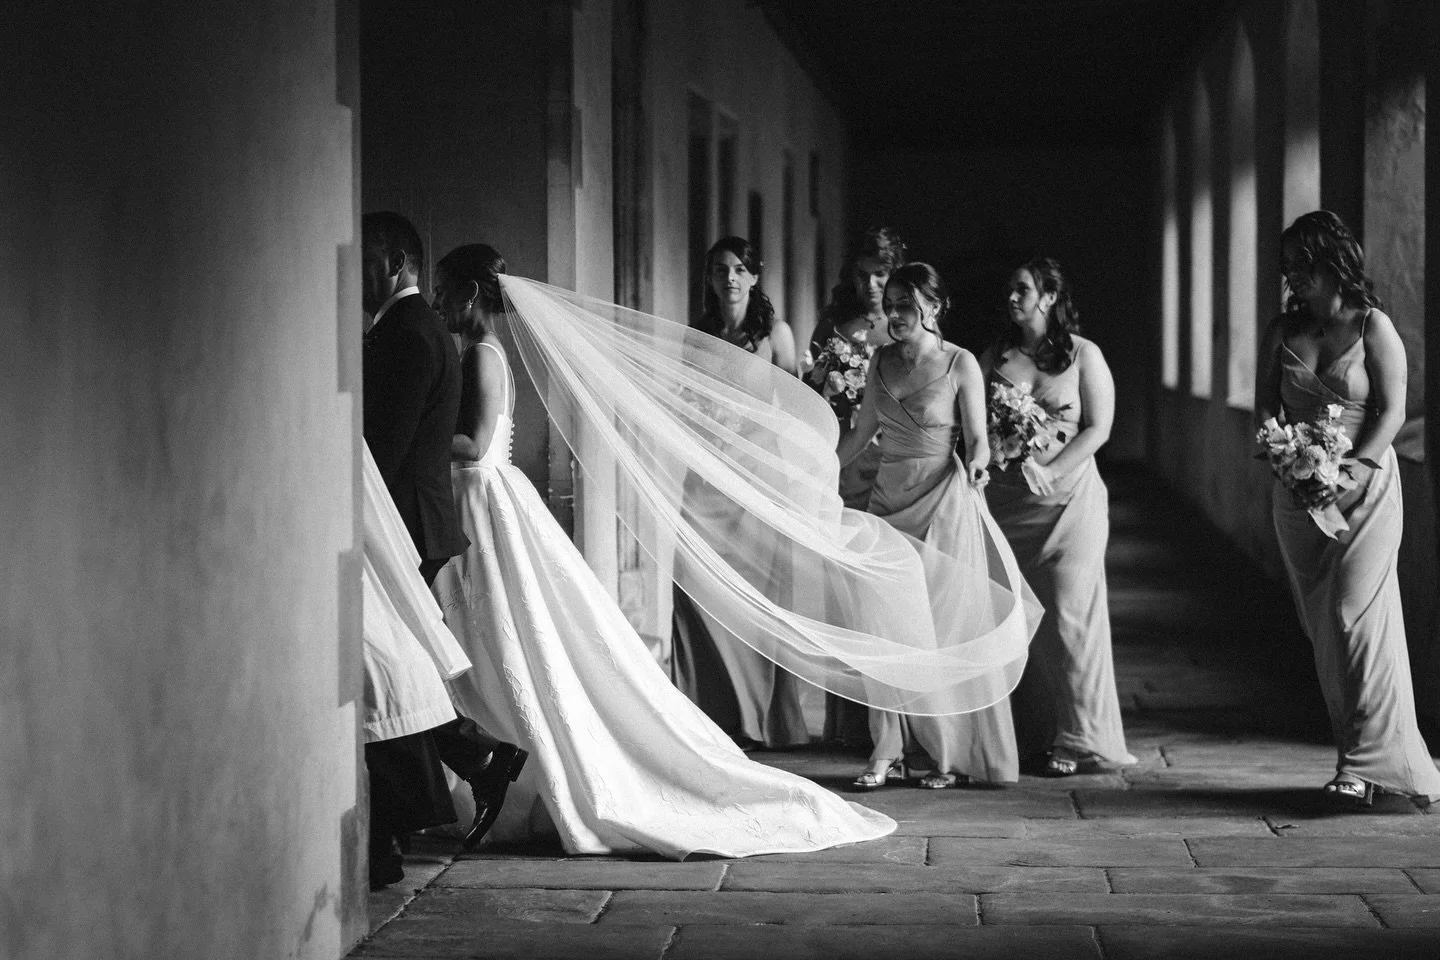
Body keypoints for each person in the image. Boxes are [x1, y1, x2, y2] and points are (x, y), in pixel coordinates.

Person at [428, 243, 895, 857]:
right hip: (482, 502)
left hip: (484, 498)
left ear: (467, 295)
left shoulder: (484, 356)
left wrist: (418, 435)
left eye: (443, 291)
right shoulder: (479, 351)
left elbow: (476, 441)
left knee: (513, 632)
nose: (438, 303)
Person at [360, 213, 527, 887]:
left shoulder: (408, 334)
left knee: (400, 664)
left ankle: (464, 770)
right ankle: (472, 762)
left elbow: (384, 449)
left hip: (400, 522)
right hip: (423, 517)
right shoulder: (422, 332)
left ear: (397, 259)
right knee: (408, 662)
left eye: (366, 256)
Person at [1256, 211, 1440, 805]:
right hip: (1299, 494)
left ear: (1330, 263)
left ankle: (1361, 765)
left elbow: (1391, 411)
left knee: (1352, 612)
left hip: (1365, 488)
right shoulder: (1282, 329)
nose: (1290, 279)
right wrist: (1287, 457)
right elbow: (1266, 405)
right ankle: (1363, 760)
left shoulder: (1373, 326)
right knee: (1326, 632)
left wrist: (1351, 469)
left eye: (1299, 266)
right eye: (1286, 268)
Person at [836, 262, 1026, 790]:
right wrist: (820, 467)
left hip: (941, 500)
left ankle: (942, 753)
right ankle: (886, 750)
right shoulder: (878, 361)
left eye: (905, 305)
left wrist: (982, 462)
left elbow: (977, 436)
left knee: (938, 629)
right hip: (885, 504)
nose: (894, 314)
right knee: (881, 627)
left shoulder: (960, 363)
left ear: (934, 308)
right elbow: (862, 434)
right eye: (890, 304)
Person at [980, 257, 1135, 776]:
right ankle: (1034, 733)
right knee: (1021, 618)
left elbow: (1099, 428)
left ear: (1049, 296)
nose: (1013, 297)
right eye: (1010, 289)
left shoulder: (1083, 356)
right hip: (1008, 506)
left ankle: (1081, 737)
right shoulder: (994, 356)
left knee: (1070, 616)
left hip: (1071, 504)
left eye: (1023, 289)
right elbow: (974, 423)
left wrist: (1053, 469)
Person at [670, 237, 809, 749]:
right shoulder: (698, 333)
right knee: (693, 585)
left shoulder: (775, 333)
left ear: (754, 277)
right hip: (705, 476)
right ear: (708, 279)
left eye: (738, 270)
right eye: (719, 270)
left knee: (759, 593)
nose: (729, 278)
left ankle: (759, 718)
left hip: (756, 475)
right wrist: (697, 411)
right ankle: (710, 714)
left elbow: (793, 406)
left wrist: (744, 419)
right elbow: (687, 394)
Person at [808, 227, 908, 749]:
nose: (872, 284)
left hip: (893, 466)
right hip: (845, 465)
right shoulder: (833, 327)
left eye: (882, 274)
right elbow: (815, 399)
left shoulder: (906, 329)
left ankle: (898, 726)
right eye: (864, 274)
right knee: (846, 597)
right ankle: (852, 724)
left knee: (888, 597)